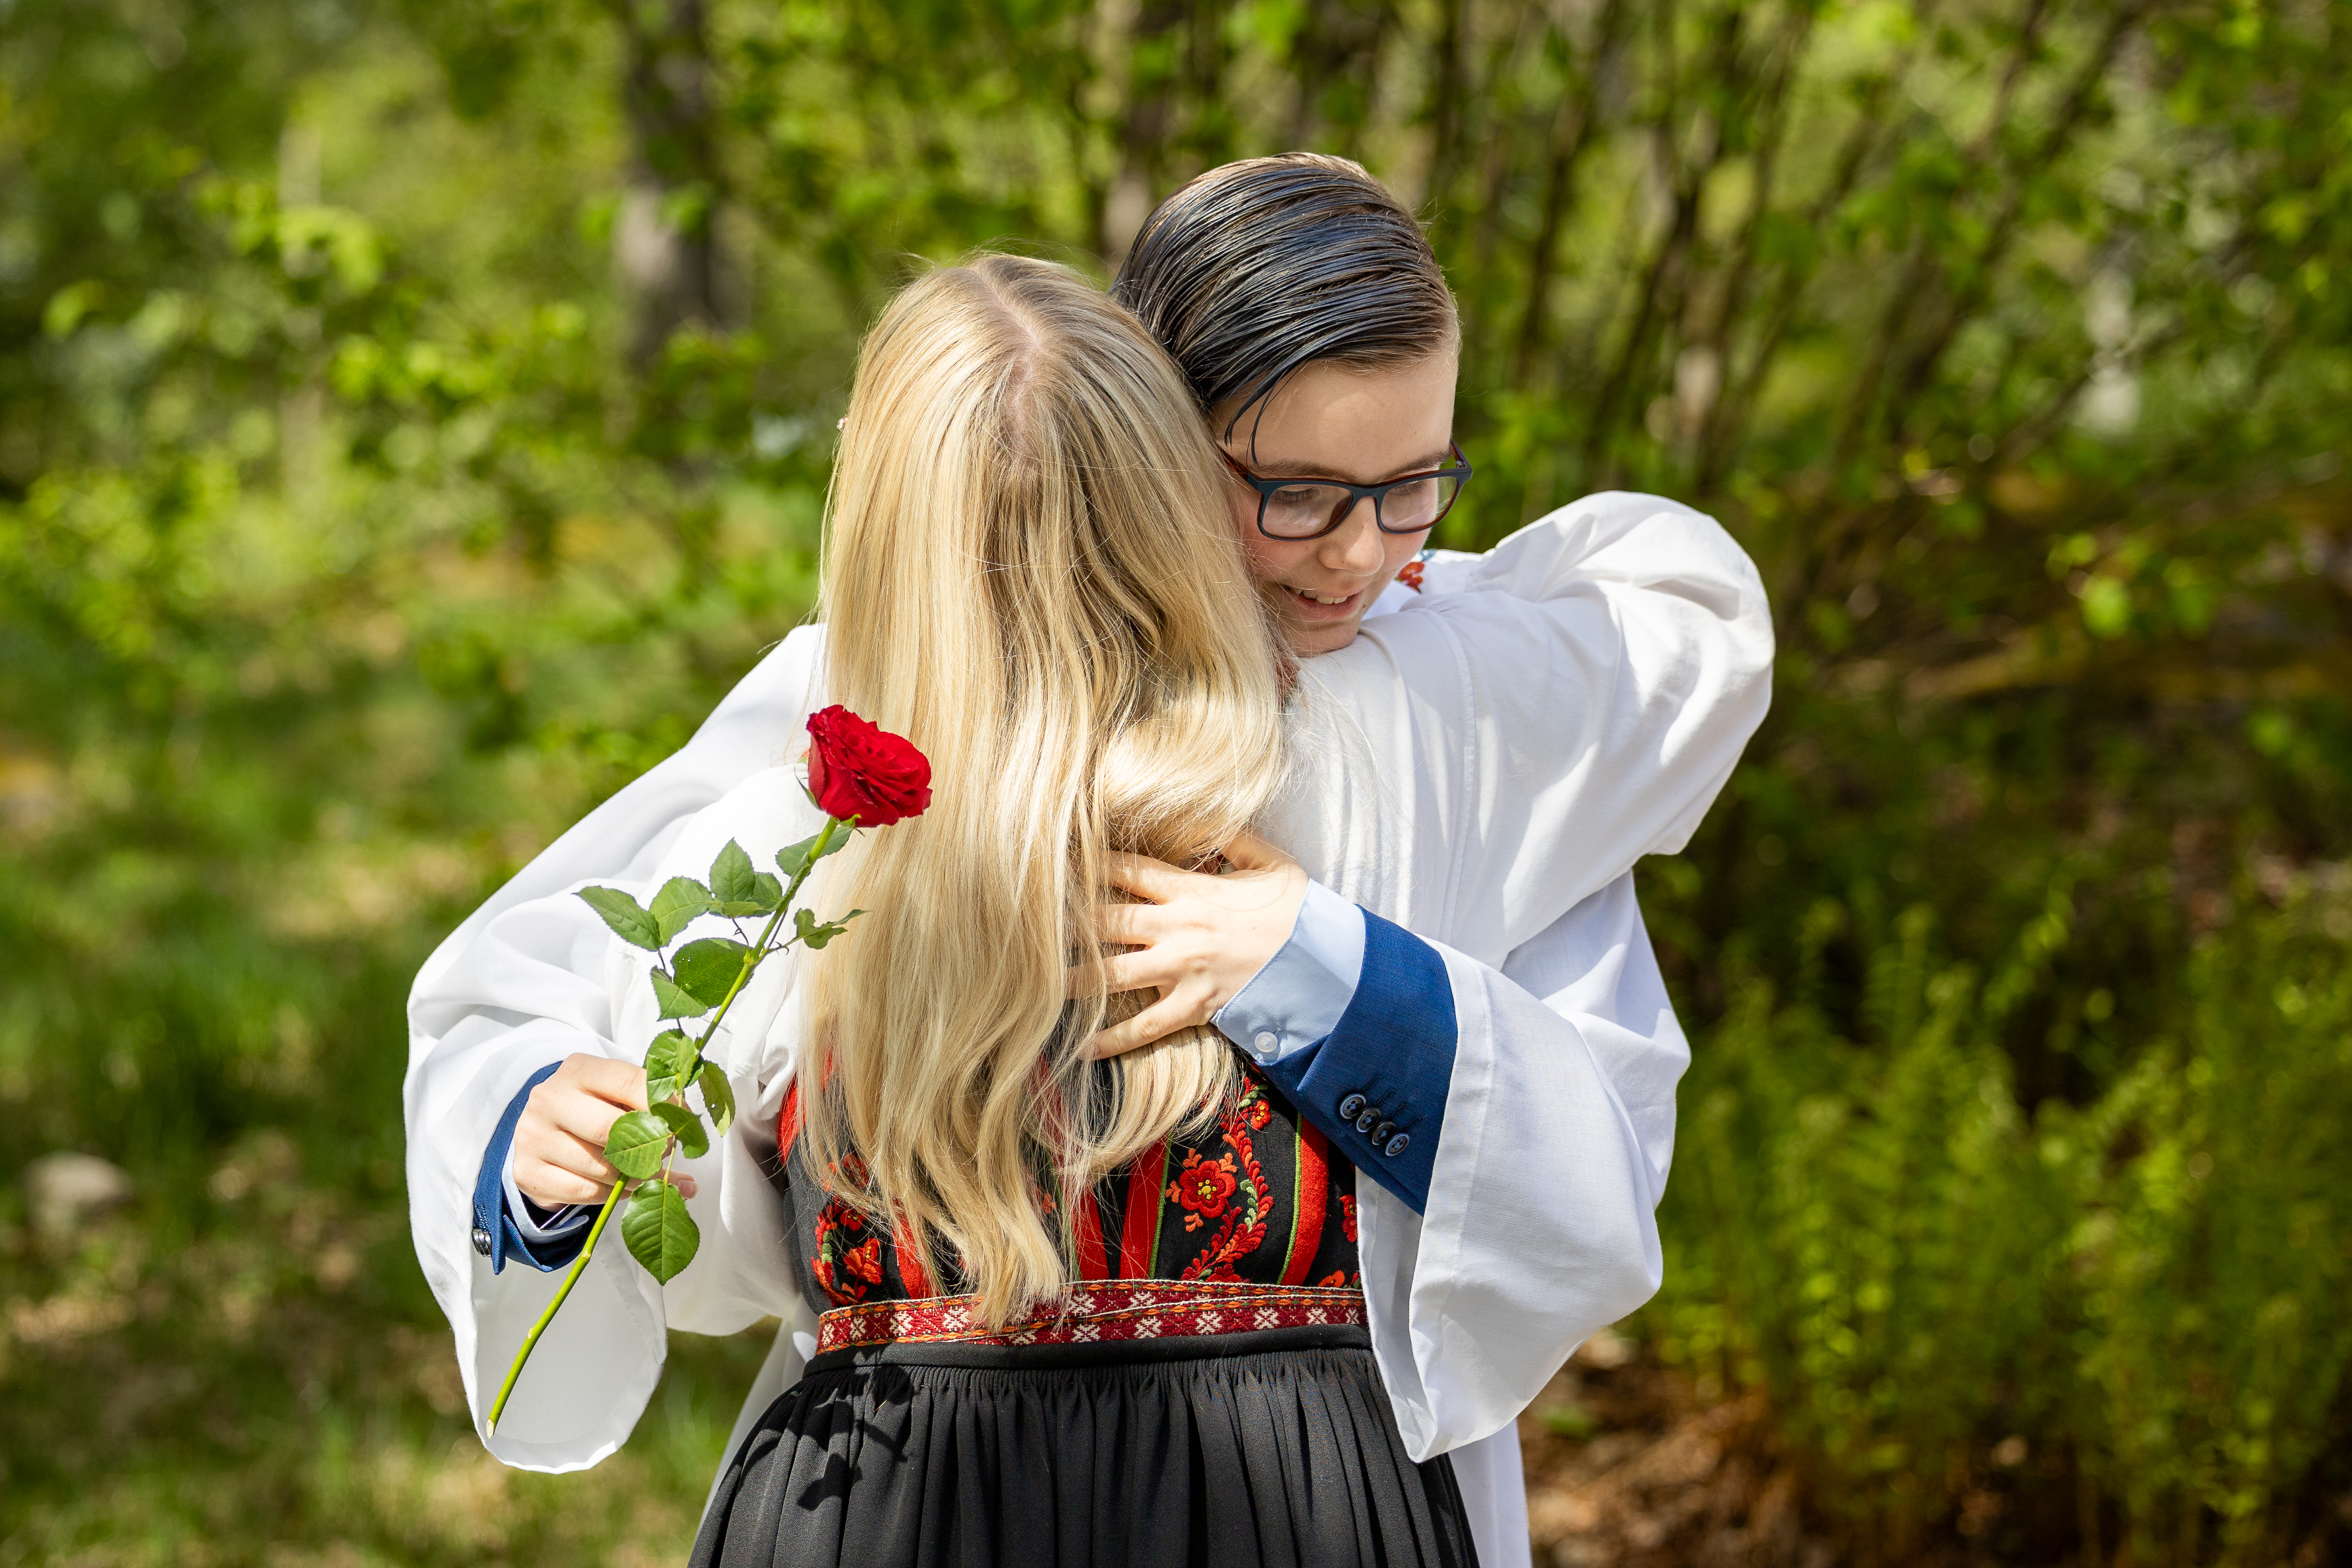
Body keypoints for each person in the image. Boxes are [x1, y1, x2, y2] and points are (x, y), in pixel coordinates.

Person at [406, 171, 1772, 1565]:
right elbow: (566, 1029)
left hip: (1299, 1507)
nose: (1364, 557)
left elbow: (1590, 1158)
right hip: (897, 1504)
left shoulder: (1434, 711)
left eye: (1414, 486)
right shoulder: (830, 765)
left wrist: (1319, 969)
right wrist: (550, 1151)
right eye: (1295, 494)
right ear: (1144, 446)